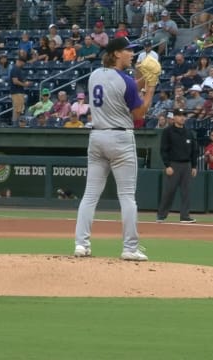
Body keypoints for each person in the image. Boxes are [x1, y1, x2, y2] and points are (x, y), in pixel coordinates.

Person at [74, 37, 156, 262]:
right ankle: (129, 248)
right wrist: (152, 86)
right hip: (120, 138)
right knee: (127, 196)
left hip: (97, 137)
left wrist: (140, 80)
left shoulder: (94, 75)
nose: (131, 54)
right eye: (128, 51)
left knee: (90, 195)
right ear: (116, 54)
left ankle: (81, 244)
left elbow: (120, 89)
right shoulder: (126, 81)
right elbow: (139, 114)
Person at [156, 108, 198, 224]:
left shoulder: (189, 132)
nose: (182, 118)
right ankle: (161, 215)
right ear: (174, 117)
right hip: (173, 164)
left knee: (186, 192)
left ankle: (185, 216)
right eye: (179, 115)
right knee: (169, 191)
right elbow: (163, 150)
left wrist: (194, 166)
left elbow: (194, 150)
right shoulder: (168, 131)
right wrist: (167, 165)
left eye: (183, 115)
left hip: (186, 165)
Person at [10, 57, 31, 125]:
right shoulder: (15, 69)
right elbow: (15, 81)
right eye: (23, 62)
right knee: (17, 110)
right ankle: (15, 126)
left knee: (18, 110)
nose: (23, 64)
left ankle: (15, 125)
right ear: (19, 61)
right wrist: (24, 85)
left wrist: (26, 83)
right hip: (17, 92)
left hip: (18, 92)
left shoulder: (18, 69)